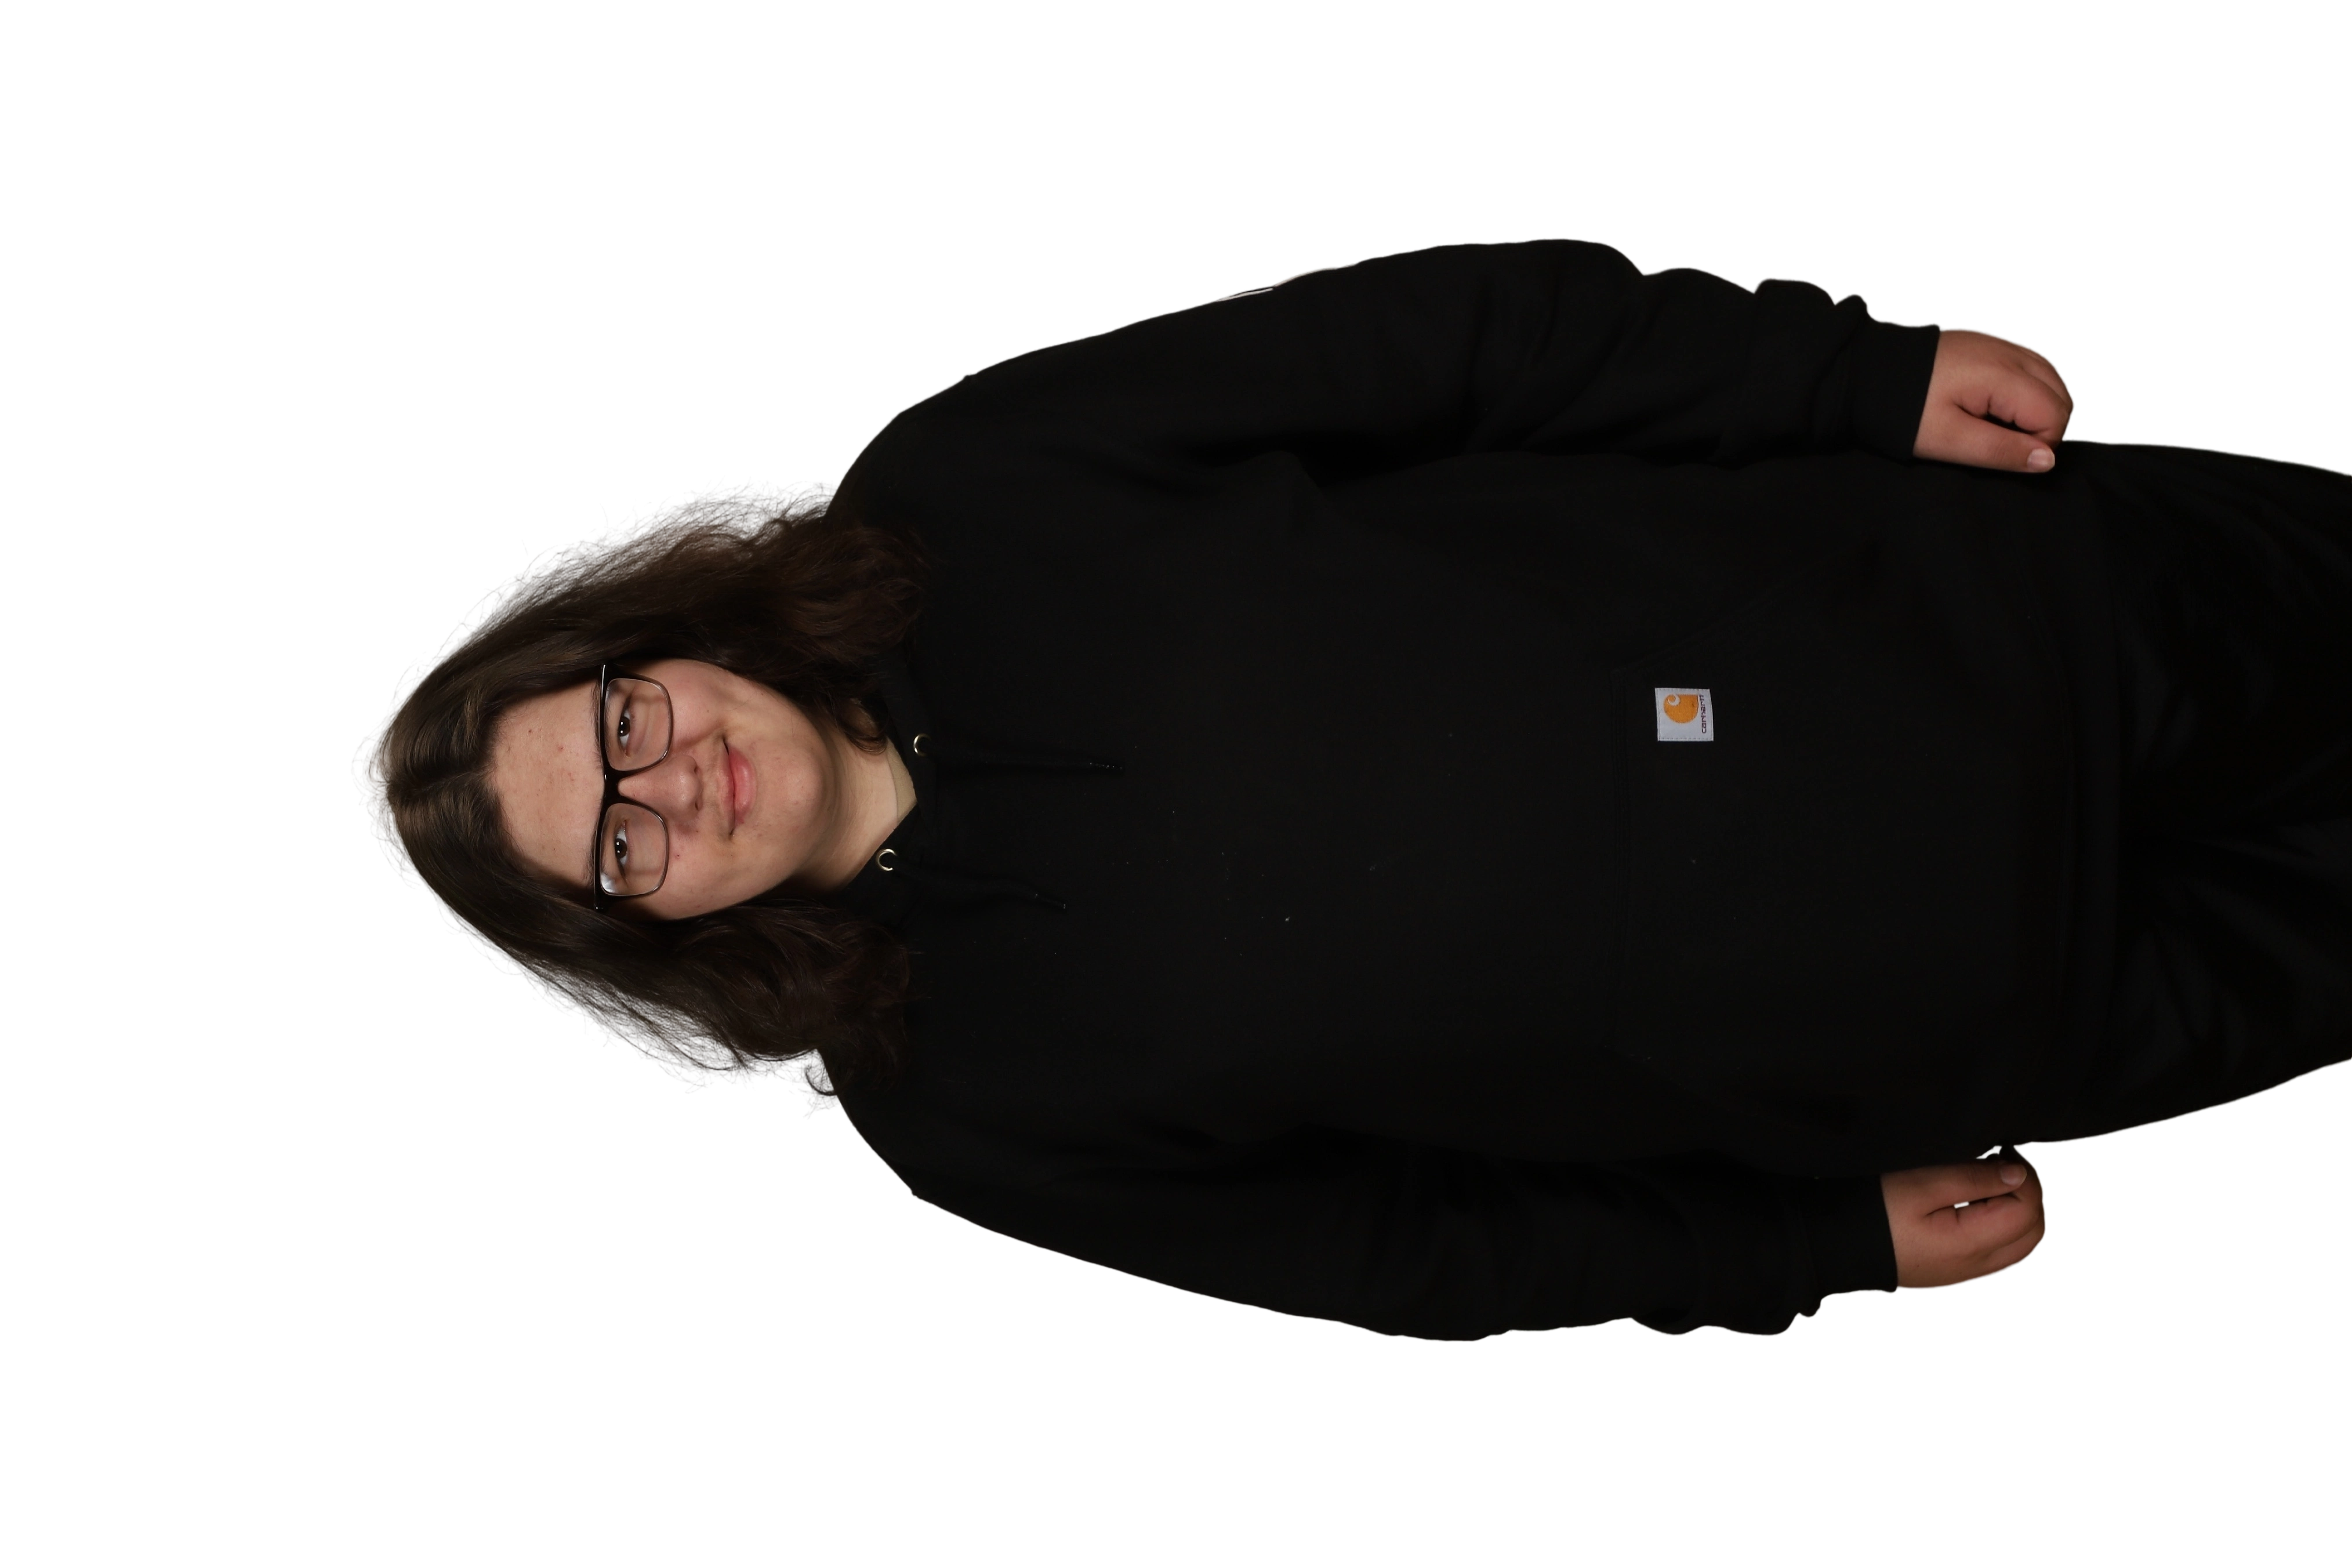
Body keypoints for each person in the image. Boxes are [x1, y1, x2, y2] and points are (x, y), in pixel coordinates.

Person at [351, 237, 2352, 1342]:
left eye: (621, 723)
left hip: (2032, 610)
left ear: (647, 637)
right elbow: (1418, 1254)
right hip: (2030, 997)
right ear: (650, 939)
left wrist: (1846, 378)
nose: (676, 785)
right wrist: (1801, 1242)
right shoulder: (965, 1114)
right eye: (617, 849)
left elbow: (1446, 343)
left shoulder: (970, 486)